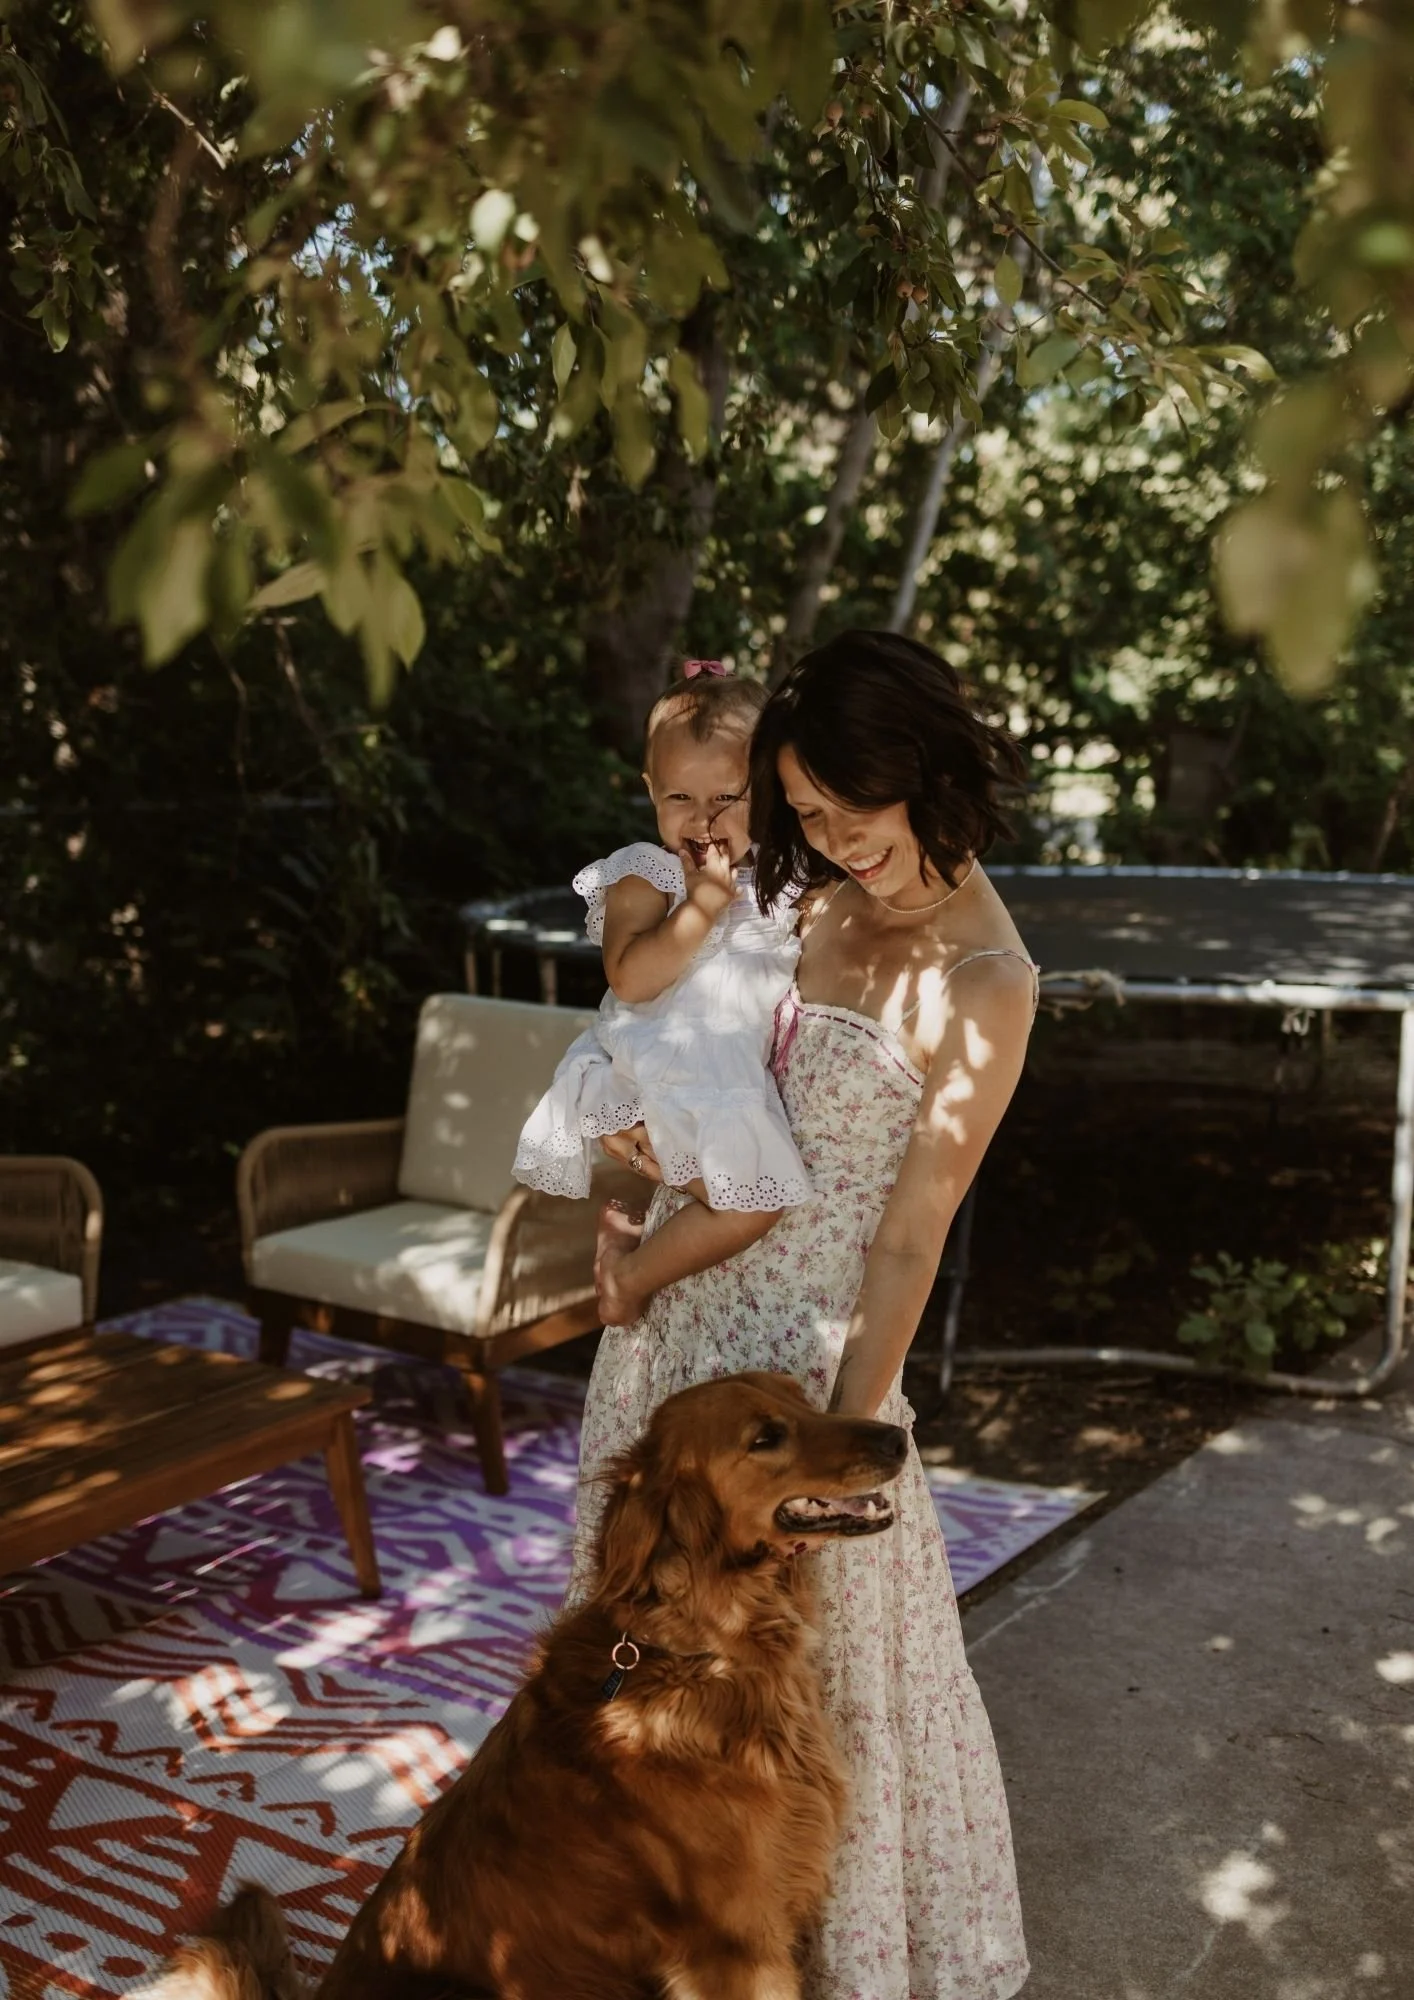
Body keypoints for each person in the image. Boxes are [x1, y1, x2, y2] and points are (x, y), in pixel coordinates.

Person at [570, 629, 1036, 2000]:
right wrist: (643, 1138)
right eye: (809, 817)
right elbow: (686, 1033)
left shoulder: (983, 982)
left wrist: (835, 1449)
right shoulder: (805, 883)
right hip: (676, 1338)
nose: (833, 844)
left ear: (927, 770)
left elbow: (905, 1242)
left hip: (805, 1391)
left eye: (854, 809)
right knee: (654, 1684)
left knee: (817, 1709)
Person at [514, 662, 812, 1326]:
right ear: (651, 791)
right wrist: (702, 903)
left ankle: (629, 1259)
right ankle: (625, 1279)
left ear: (764, 786)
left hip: (728, 1080)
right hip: (664, 1069)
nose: (702, 821)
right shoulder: (647, 875)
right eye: (679, 799)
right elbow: (630, 976)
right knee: (754, 1204)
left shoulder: (783, 875)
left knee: (755, 1202)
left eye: (726, 797)